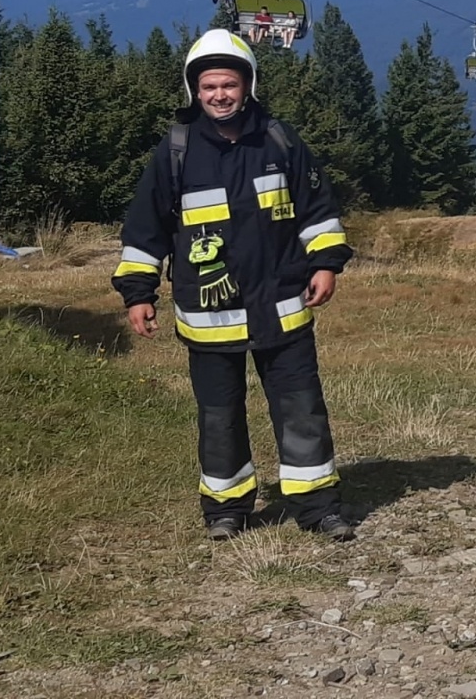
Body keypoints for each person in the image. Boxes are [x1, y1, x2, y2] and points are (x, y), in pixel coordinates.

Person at [111, 29, 356, 541]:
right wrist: (138, 294)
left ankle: (318, 507)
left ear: (248, 86)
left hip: (282, 306)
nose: (219, 95)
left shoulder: (279, 140)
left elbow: (317, 211)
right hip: (209, 315)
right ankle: (226, 509)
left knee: (301, 408)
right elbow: (145, 230)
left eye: (228, 85)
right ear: (194, 91)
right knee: (219, 415)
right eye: (209, 87)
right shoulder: (176, 151)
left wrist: (326, 264)